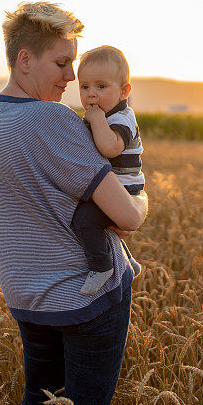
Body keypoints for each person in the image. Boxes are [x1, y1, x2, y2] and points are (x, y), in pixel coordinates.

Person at [0, 1, 149, 405]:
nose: (72, 78)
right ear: (24, 60)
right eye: (61, 63)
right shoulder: (53, 123)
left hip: (28, 297)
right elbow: (129, 218)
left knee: (37, 404)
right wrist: (142, 195)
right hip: (87, 299)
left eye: (74, 65)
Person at [73, 45, 145, 295]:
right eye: (85, 87)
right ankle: (127, 260)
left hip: (124, 186)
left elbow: (109, 147)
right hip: (113, 182)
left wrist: (95, 120)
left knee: (84, 221)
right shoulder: (104, 114)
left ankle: (102, 266)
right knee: (100, 223)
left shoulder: (121, 117)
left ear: (124, 92)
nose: (91, 94)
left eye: (101, 87)